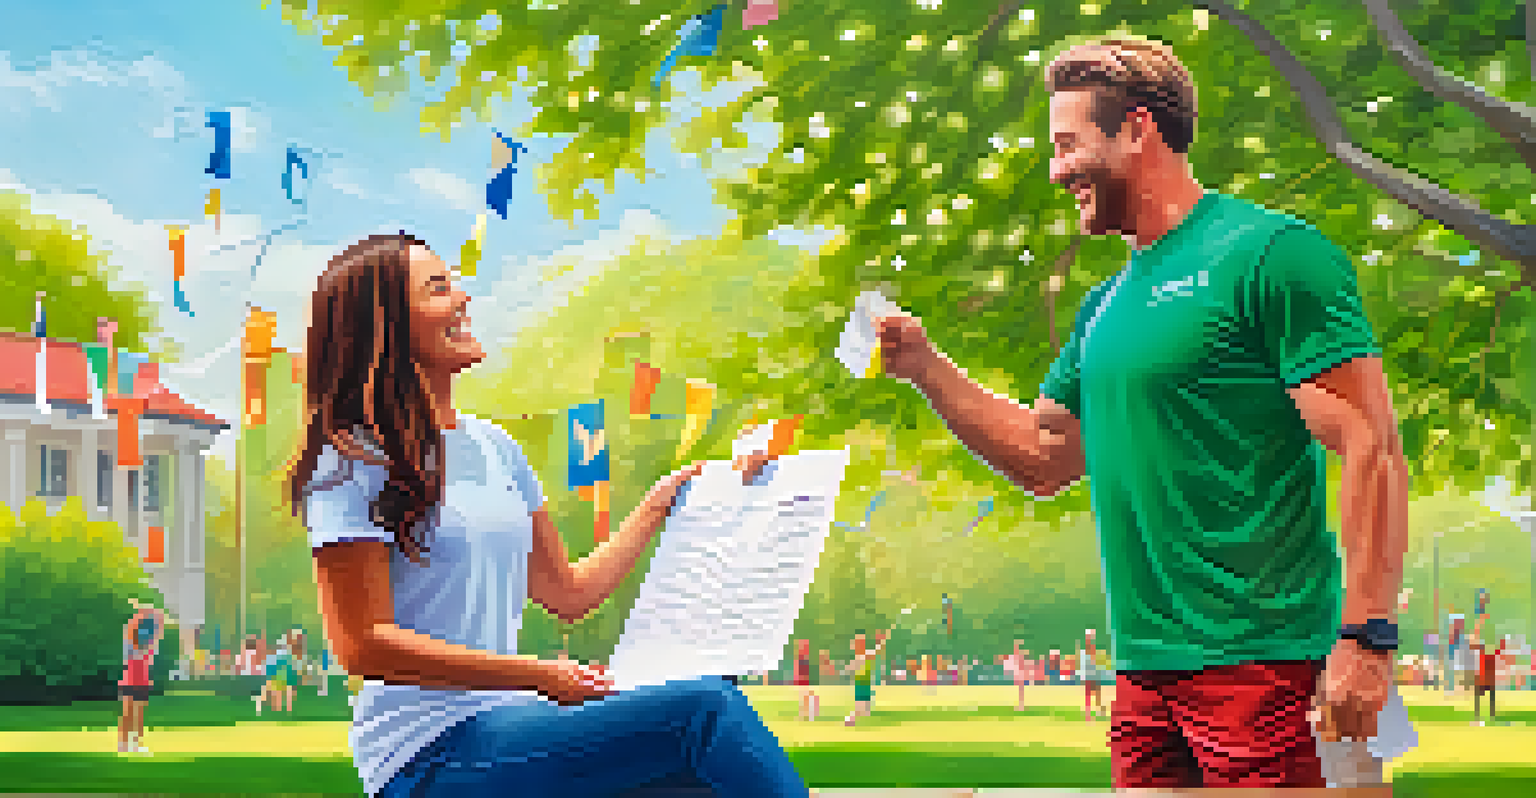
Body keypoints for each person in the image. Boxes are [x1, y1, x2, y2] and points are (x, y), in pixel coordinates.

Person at [874, 36, 1408, 789]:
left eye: (1067, 145)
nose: (1057, 171)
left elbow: (1371, 444)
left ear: (1136, 128)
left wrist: (1367, 638)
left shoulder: (1273, 256)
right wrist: (927, 369)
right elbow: (1045, 454)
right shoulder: (1104, 309)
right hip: (1146, 680)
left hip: (1277, 667)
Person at [290, 233, 806, 798]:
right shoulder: (351, 459)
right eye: (438, 289)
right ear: (385, 324)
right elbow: (363, 644)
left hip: (510, 725)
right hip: (425, 755)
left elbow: (567, 592)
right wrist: (539, 676)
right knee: (705, 713)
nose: (463, 300)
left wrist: (660, 504)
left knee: (700, 764)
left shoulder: (495, 448)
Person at [118, 601, 165, 754]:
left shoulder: (144, 640)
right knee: (132, 711)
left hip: (137, 676)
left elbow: (157, 625)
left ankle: (130, 743)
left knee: (133, 712)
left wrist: (148, 613)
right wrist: (145, 613)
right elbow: (153, 625)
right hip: (134, 676)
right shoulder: (135, 639)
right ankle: (128, 743)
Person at [842, 631, 887, 726]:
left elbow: (876, 651)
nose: (862, 644)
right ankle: (850, 720)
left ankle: (852, 720)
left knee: (865, 711)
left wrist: (880, 641)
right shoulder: (860, 657)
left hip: (866, 686)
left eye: (862, 642)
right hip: (860, 686)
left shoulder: (866, 655)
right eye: (859, 642)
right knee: (861, 708)